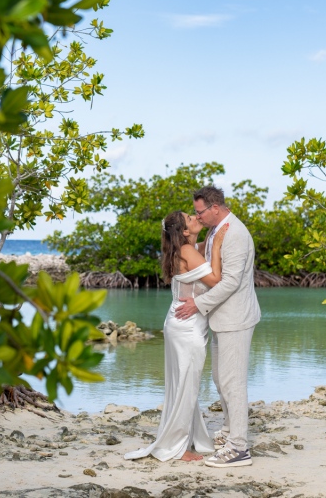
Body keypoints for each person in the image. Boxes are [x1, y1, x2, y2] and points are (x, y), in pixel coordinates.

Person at [124, 210, 228, 462]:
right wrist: (218, 247)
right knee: (185, 386)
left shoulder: (184, 249)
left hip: (179, 322)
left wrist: (213, 240)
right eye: (190, 218)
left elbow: (203, 248)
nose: (195, 217)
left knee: (182, 385)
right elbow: (215, 279)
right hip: (187, 326)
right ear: (183, 231)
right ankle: (178, 448)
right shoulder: (187, 251)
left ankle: (185, 440)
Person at [175, 185, 261, 468]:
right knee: (220, 379)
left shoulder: (234, 233)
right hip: (221, 318)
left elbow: (230, 282)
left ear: (215, 207)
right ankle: (228, 430)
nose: (197, 217)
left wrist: (197, 305)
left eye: (200, 212)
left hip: (236, 317)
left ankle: (239, 448)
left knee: (233, 381)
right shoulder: (215, 230)